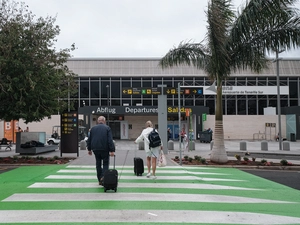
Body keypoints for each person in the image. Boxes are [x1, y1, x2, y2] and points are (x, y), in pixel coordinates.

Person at [87, 116, 115, 186]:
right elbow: (110, 140)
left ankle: (99, 179)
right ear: (104, 121)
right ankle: (103, 177)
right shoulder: (107, 128)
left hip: (95, 149)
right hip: (105, 149)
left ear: (98, 121)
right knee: (105, 163)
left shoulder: (92, 129)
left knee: (98, 163)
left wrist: (89, 149)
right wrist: (112, 150)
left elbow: (89, 139)